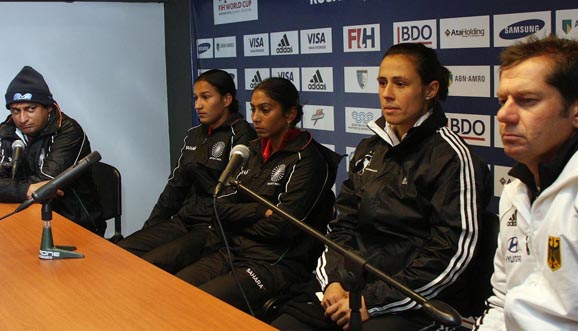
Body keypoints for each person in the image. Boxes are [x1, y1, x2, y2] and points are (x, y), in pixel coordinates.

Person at [271, 43, 492, 331]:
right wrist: (333, 282)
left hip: (413, 303)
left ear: (430, 90)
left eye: (400, 84)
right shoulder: (368, 149)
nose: (387, 93)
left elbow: (449, 255)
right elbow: (341, 226)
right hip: (349, 289)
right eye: (382, 82)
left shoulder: (453, 159)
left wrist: (371, 301)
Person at [174, 77, 342, 315]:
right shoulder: (250, 150)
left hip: (274, 264)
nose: (255, 117)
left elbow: (281, 227)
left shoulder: (309, 161)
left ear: (289, 114)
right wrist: (258, 212)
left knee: (200, 306)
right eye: (253, 109)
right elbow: (218, 204)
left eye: (265, 110)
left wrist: (238, 221)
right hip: (232, 250)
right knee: (174, 289)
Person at [474, 36, 578, 330]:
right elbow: (503, 301)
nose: (504, 115)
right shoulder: (516, 188)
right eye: (502, 100)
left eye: (527, 100)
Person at [117, 69, 256, 272]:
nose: (198, 105)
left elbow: (233, 195)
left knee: (152, 264)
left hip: (213, 228)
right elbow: (174, 189)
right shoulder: (194, 135)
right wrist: (151, 229)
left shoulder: (242, 135)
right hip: (184, 220)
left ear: (226, 99)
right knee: (123, 250)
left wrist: (197, 171)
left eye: (206, 97)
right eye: (196, 98)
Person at [0, 66, 104, 235]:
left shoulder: (69, 131)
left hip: (73, 223)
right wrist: (25, 190)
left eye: (30, 109)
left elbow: (44, 187)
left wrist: (11, 188)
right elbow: (32, 190)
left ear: (48, 107)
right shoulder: (6, 131)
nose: (22, 118)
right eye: (15, 111)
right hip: (25, 217)